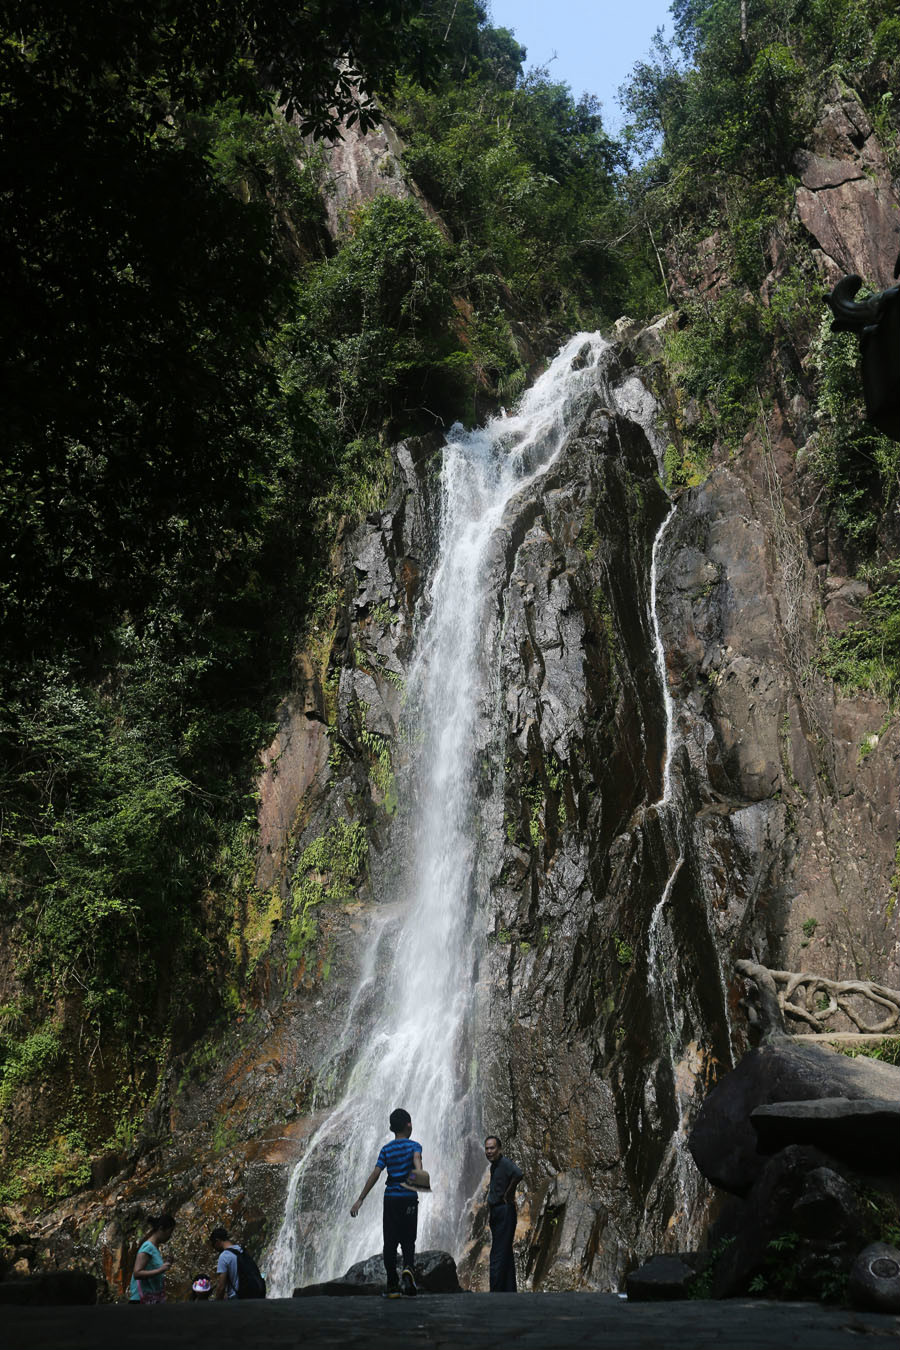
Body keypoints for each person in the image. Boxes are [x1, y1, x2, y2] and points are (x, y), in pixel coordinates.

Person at [350, 1107, 423, 1298]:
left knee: (390, 1242)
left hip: (391, 1200)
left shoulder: (386, 1149)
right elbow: (417, 1162)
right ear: (409, 1125)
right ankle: (408, 1270)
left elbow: (376, 1174)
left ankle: (392, 1284)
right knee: (409, 1240)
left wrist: (360, 1199)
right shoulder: (414, 1146)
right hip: (408, 1198)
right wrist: (418, 1181)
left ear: (392, 1128)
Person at [484, 1135, 522, 1292]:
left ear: (499, 1149)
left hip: (505, 1211)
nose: (489, 1151)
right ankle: (509, 1290)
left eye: (492, 1148)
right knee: (505, 1251)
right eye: (486, 1148)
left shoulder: (505, 1163)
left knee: (497, 1254)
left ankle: (495, 1291)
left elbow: (519, 1174)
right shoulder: (494, 1166)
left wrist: (509, 1193)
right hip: (497, 1211)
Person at [128, 1213, 175, 1304]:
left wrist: (166, 1264)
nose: (170, 1236)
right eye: (170, 1231)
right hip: (140, 1301)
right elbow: (137, 1273)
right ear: (161, 1229)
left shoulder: (154, 1247)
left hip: (150, 1299)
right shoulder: (148, 1247)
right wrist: (160, 1270)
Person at [210, 1227, 243, 1299]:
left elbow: (221, 1287)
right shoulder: (241, 1249)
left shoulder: (224, 1256)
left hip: (236, 1298)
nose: (214, 1248)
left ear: (217, 1241)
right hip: (249, 1294)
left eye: (213, 1245)